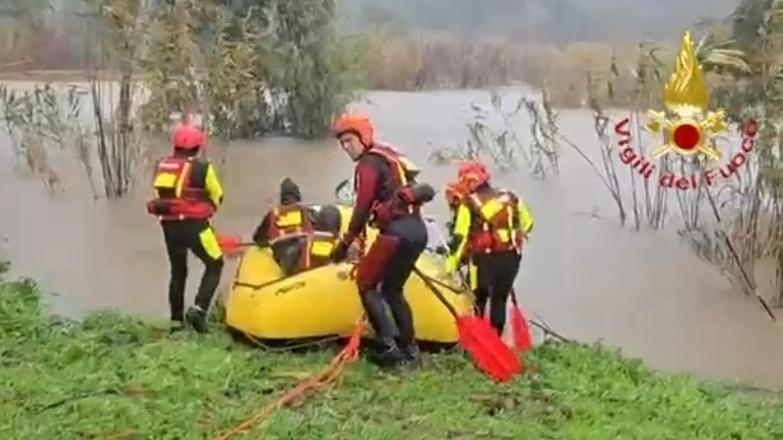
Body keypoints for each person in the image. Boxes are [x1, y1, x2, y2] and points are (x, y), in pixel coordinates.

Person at [330, 111, 435, 370]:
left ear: (363, 137)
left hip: (396, 233)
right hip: (418, 232)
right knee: (392, 290)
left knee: (366, 283)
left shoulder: (368, 163)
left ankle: (390, 350)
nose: (346, 147)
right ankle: (411, 352)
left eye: (349, 141)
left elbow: (363, 205)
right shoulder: (392, 158)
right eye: (342, 143)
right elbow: (421, 190)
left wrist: (345, 242)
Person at [146, 122, 225, 334]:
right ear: (197, 146)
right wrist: (209, 208)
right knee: (215, 264)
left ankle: (176, 323)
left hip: (169, 226)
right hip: (196, 225)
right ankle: (199, 310)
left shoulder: (162, 165)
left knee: (178, 271)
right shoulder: (203, 168)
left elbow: (159, 194)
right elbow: (217, 194)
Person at [444, 159, 534, 337]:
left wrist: (450, 266)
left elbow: (460, 238)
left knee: (478, 300)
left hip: (481, 262)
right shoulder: (511, 197)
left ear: (469, 181)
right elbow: (528, 224)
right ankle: (495, 341)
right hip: (510, 258)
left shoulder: (468, 204)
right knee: (499, 300)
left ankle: (478, 341)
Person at [252, 178, 328, 276]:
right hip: (305, 255)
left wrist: (268, 241)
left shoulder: (272, 214)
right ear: (298, 196)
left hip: (286, 259)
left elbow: (258, 240)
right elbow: (322, 228)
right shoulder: (308, 211)